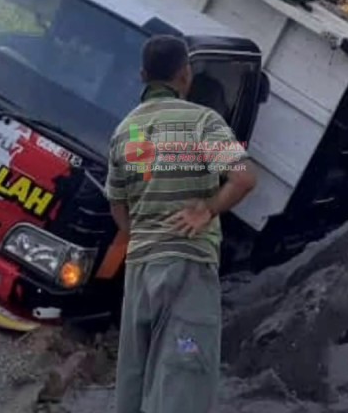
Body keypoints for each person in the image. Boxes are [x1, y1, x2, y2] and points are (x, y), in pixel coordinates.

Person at [106, 35, 258, 413]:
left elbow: (119, 207)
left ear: (143, 75)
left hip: (141, 272)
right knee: (183, 373)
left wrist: (144, 234)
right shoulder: (202, 121)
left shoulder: (129, 131)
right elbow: (243, 178)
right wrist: (206, 209)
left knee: (135, 377)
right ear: (186, 74)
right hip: (187, 269)